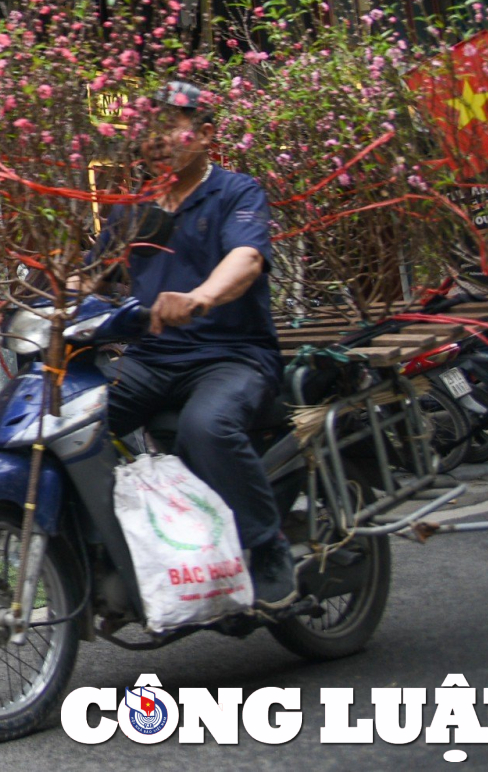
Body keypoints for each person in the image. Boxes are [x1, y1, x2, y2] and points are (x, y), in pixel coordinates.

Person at [105, 81, 296, 610]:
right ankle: (112, 546)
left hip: (232, 356)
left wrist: (201, 296)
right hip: (150, 359)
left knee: (205, 426)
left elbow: (247, 259)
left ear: (206, 134)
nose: (155, 140)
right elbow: (92, 277)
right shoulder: (134, 208)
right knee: (75, 420)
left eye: (169, 126)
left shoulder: (237, 191)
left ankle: (267, 543)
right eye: (145, 130)